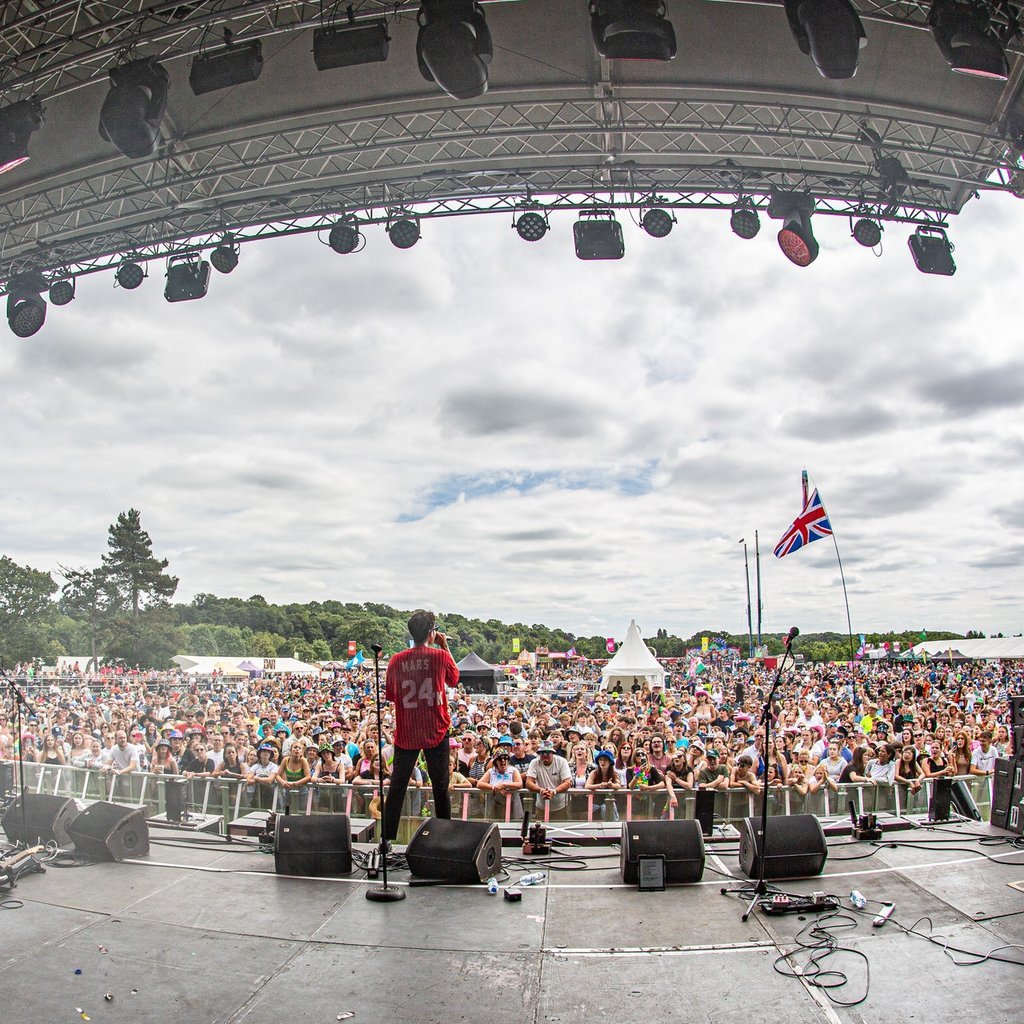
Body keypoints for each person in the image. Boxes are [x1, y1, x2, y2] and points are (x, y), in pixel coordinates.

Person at [382, 609, 459, 844]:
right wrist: (444, 645)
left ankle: (387, 840)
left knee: (397, 786)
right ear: (431, 633)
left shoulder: (396, 660)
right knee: (440, 787)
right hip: (436, 729)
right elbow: (454, 679)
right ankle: (445, 839)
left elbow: (392, 695)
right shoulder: (440, 656)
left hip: (407, 732)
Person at [525, 741, 573, 818]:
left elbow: (567, 782)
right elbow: (529, 782)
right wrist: (541, 790)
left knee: (561, 825)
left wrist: (554, 791)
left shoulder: (562, 762)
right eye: (542, 753)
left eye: (548, 752)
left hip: (561, 806)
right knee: (539, 825)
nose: (545, 755)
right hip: (541, 805)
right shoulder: (534, 762)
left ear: (553, 753)